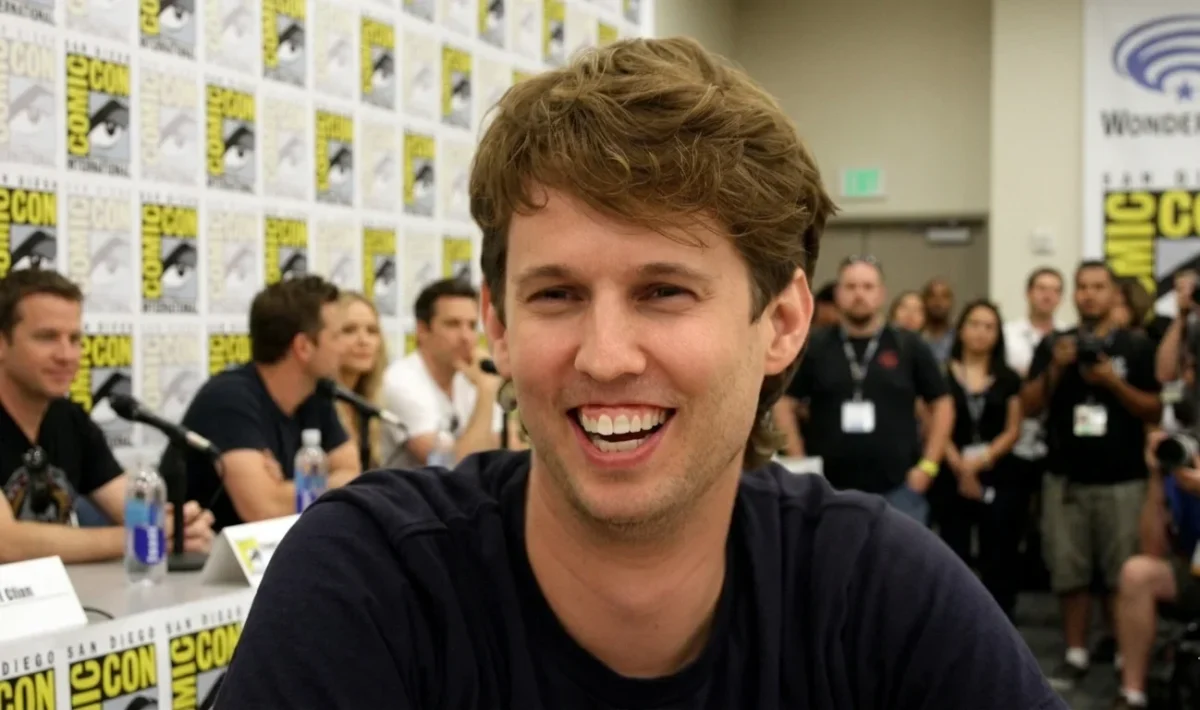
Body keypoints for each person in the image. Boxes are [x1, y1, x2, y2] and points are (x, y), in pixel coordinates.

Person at [214, 37, 1063, 709]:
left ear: (785, 322)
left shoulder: (875, 590)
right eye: (557, 295)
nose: (606, 355)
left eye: (664, 291)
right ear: (500, 327)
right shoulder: (372, 583)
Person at [0, 269, 213, 562]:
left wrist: (180, 526)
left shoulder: (69, 419)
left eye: (74, 339)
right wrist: (147, 534)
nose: (66, 355)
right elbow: (6, 543)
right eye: (47, 338)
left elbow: (130, 505)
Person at [1021, 261, 1162, 691]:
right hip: (1066, 479)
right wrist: (1057, 369)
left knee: (1121, 572)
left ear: (1113, 294)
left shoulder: (1135, 347)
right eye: (1082, 287)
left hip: (1123, 480)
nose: (1089, 295)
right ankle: (1075, 652)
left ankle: (1124, 654)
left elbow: (1155, 409)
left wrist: (1112, 382)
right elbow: (1028, 405)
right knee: (1070, 572)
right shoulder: (1055, 345)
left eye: (1098, 287)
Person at [779, 256, 955, 526]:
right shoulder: (814, 347)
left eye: (867, 287)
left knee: (899, 568)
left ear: (882, 293)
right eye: (850, 287)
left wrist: (929, 467)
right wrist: (799, 462)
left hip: (900, 491)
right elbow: (784, 403)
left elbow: (942, 404)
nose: (858, 294)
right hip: (827, 491)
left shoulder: (909, 346)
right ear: (838, 293)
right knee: (831, 568)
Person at [181, 276, 360, 532]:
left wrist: (286, 487)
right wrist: (315, 482)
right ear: (304, 346)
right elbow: (263, 508)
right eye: (338, 335)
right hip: (205, 562)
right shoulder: (227, 399)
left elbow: (352, 475)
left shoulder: (316, 393)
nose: (346, 346)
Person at [933, 299, 1024, 619]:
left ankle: (1001, 621)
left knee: (999, 552)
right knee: (952, 549)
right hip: (949, 472)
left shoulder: (1009, 377)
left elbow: (1014, 429)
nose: (981, 332)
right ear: (961, 329)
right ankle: (954, 619)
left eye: (989, 326)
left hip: (997, 472)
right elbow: (933, 423)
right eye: (974, 324)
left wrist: (980, 461)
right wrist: (960, 465)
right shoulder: (940, 373)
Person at [1110, 428, 1200, 710]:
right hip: (1195, 572)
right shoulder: (1186, 474)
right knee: (1137, 573)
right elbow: (1152, 548)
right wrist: (1157, 479)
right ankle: (1133, 694)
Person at [379, 278, 502, 468]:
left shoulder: (473, 375)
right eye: (453, 324)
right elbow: (454, 467)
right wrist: (486, 392)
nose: (466, 337)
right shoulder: (401, 381)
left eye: (471, 326)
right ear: (422, 330)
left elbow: (507, 451)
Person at [335, 292, 388, 471]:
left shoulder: (370, 404)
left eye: (372, 331)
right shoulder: (314, 405)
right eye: (349, 330)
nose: (363, 341)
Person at [922, 277, 956, 363]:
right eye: (933, 296)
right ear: (924, 300)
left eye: (944, 296)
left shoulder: (959, 338)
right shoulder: (915, 338)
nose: (938, 302)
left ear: (951, 302)